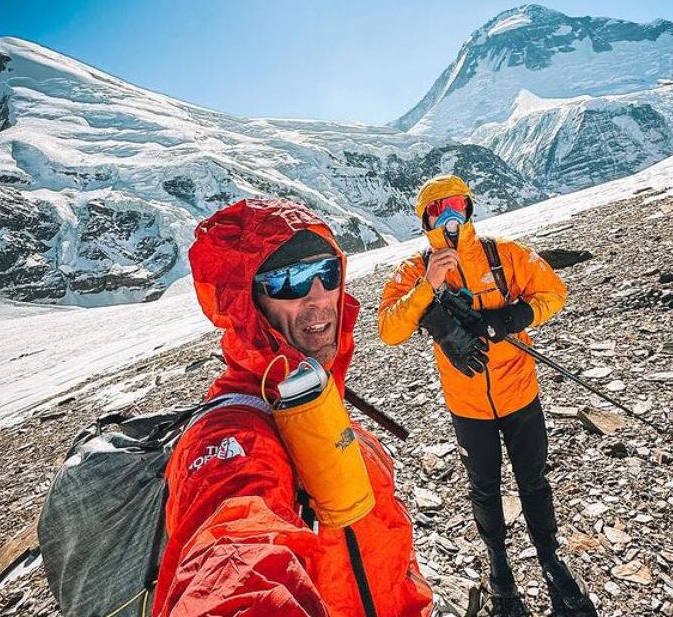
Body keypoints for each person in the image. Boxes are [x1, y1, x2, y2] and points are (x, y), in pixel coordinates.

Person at [152, 198, 434, 617]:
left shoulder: (317, 403)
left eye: (327, 273)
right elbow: (233, 558)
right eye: (290, 281)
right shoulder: (232, 438)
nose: (318, 297)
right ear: (249, 303)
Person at [378, 176, 597, 617]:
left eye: (457, 205)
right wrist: (428, 287)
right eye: (438, 210)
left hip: (520, 395)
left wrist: (513, 315)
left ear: (470, 209)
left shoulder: (504, 255)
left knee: (534, 480)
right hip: (468, 408)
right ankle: (500, 570)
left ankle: (550, 559)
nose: (450, 218)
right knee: (484, 488)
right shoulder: (413, 271)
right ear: (425, 219)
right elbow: (389, 330)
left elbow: (554, 290)